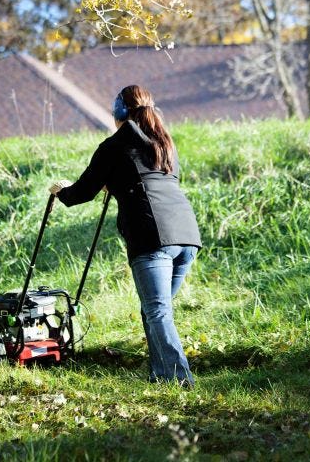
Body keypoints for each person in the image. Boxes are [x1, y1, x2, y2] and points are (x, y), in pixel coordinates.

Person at [49, 85, 202, 387]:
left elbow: (81, 193)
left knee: (157, 311)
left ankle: (179, 379)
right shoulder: (164, 143)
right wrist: (116, 185)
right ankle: (161, 375)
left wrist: (59, 191)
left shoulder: (113, 146)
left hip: (152, 236)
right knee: (154, 309)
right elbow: (153, 180)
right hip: (186, 235)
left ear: (118, 112)